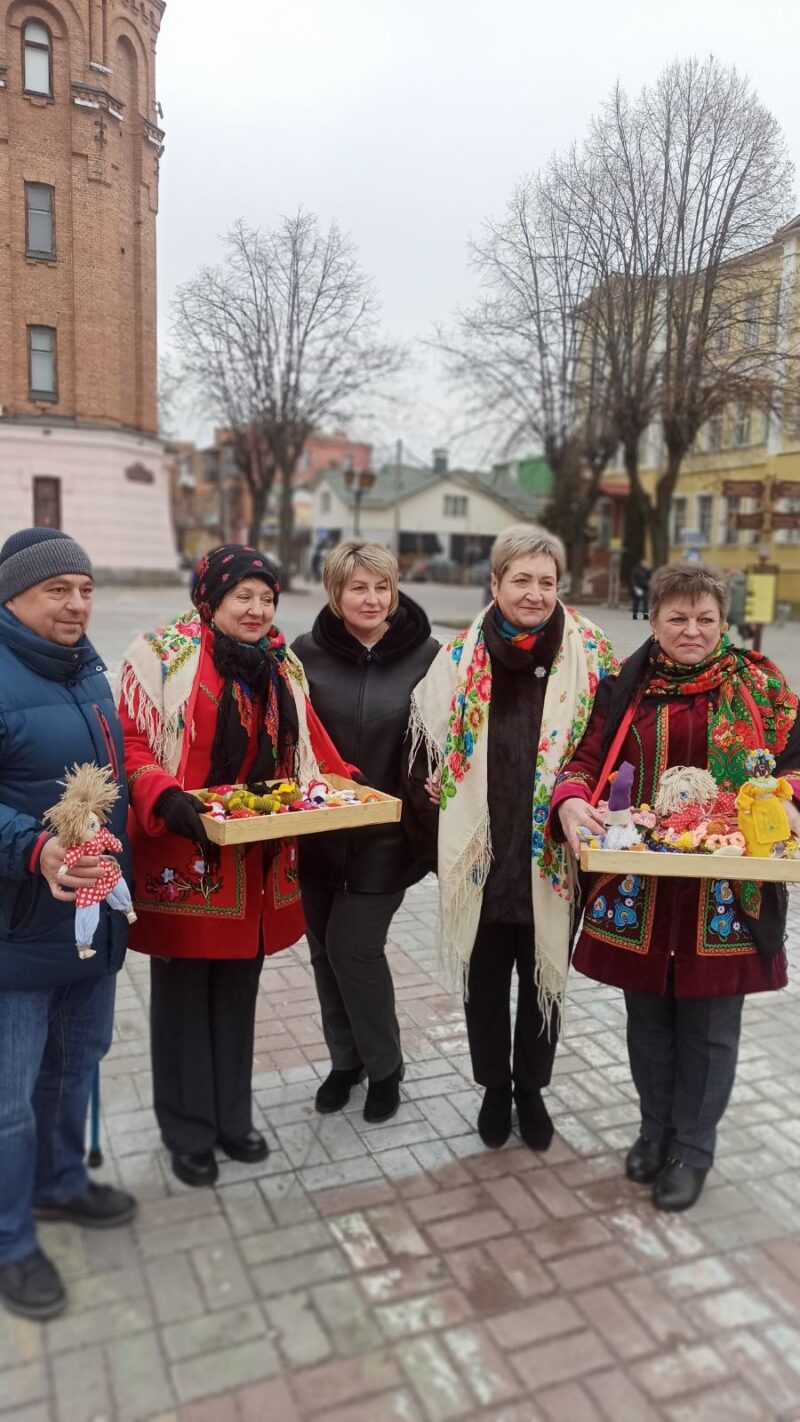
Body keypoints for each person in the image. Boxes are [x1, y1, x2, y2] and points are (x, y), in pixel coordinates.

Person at [552, 562, 800, 1211]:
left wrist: (790, 799)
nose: (692, 630)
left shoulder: (761, 689)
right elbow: (584, 761)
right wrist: (573, 803)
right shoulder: (627, 688)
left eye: (705, 619)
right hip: (643, 888)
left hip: (727, 891)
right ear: (654, 619)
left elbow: (798, 764)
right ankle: (654, 1130)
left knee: (711, 1026)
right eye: (677, 618)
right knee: (648, 1020)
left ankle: (693, 1148)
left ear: (724, 621)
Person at [118, 544, 353, 1188]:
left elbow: (309, 738)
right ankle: (187, 1130)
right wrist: (163, 796)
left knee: (238, 995)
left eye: (266, 597)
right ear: (211, 599)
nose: (256, 609)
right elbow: (131, 744)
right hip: (184, 856)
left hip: (255, 860)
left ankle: (231, 1118)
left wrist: (345, 784)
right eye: (242, 597)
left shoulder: (281, 663)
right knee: (183, 999)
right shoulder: (160, 656)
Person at [405, 525, 616, 1151]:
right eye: (520, 580)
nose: (534, 593)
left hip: (555, 855)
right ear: (494, 583)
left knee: (544, 975)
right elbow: (422, 762)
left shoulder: (594, 655)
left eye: (546, 581)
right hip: (483, 855)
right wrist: (443, 842)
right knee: (486, 982)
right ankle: (496, 1089)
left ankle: (533, 1089)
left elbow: (614, 749)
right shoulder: (457, 659)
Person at [0, 529, 135, 1322]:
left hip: (89, 925)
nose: (77, 604)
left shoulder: (87, 672)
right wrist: (36, 850)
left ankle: (59, 1185)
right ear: (14, 596)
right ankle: (11, 1241)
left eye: (84, 588)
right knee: (8, 1101)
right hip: (17, 930)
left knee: (77, 1062)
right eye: (58, 590)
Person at [292, 541, 438, 1123]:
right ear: (336, 593)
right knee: (324, 951)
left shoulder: (429, 656)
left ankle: (385, 1067)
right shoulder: (304, 654)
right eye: (358, 587)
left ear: (395, 590)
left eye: (381, 587)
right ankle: (344, 1061)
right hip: (316, 831)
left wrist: (436, 786)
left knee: (355, 948)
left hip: (387, 836)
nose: (371, 599)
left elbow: (451, 735)